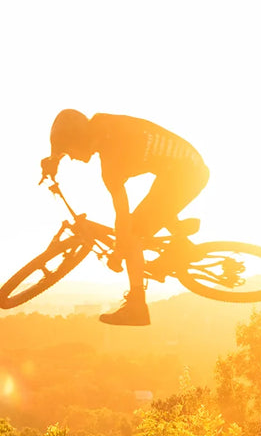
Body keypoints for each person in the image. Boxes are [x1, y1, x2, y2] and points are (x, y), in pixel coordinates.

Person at [40, 109, 210, 326]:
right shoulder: (102, 125)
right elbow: (71, 135)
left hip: (186, 175)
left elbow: (122, 215)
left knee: (133, 233)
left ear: (80, 140)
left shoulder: (113, 162)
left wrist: (120, 250)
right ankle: (180, 243)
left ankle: (137, 307)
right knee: (148, 215)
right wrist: (54, 158)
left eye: (69, 151)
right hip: (183, 167)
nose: (71, 157)